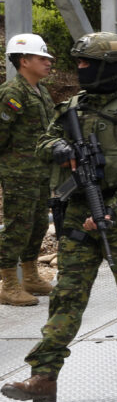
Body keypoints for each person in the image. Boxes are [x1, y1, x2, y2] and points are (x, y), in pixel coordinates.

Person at [2, 33, 117, 402]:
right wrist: (58, 147)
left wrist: (109, 212)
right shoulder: (72, 105)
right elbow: (43, 141)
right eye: (79, 63)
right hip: (78, 211)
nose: (80, 69)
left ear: (110, 67)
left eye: (88, 63)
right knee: (67, 294)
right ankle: (43, 374)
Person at [0, 34, 56, 306]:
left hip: (41, 172)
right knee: (17, 227)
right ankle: (9, 283)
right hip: (19, 174)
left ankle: (31, 275)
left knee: (37, 224)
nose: (48, 63)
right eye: (42, 58)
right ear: (24, 61)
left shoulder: (41, 91)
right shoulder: (13, 93)